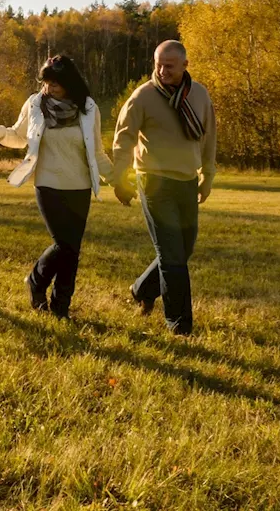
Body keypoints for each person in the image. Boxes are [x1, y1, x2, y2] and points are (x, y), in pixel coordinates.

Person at [0, 55, 113, 319]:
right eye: (46, 81)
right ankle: (36, 280)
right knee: (64, 244)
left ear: (70, 82)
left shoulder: (88, 108)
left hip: (80, 187)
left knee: (72, 251)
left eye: (56, 82)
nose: (49, 87)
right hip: (47, 184)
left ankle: (61, 308)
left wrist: (117, 180)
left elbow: (97, 152)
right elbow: (19, 136)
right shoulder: (35, 104)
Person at [110, 40, 216, 336]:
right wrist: (120, 179)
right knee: (171, 256)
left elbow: (208, 138)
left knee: (183, 249)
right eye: (158, 64)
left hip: (186, 180)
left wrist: (208, 175)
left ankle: (142, 289)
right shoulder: (143, 96)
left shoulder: (199, 94)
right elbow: (123, 140)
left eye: (169, 65)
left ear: (185, 65)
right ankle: (179, 325)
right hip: (154, 181)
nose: (162, 70)